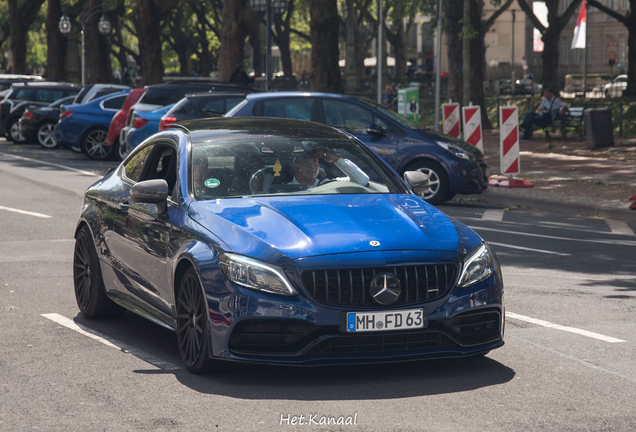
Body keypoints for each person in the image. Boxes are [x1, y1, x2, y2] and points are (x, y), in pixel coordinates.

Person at [289, 150, 369, 189]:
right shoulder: (283, 189)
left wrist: (336, 160)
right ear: (295, 167)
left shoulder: (328, 185)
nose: (312, 166)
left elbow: (362, 180)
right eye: (305, 162)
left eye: (314, 161)